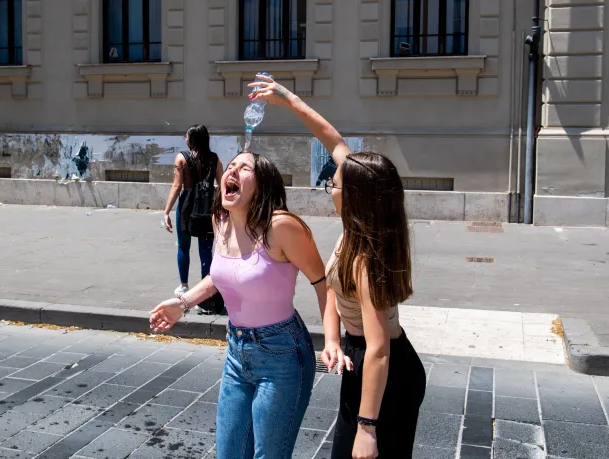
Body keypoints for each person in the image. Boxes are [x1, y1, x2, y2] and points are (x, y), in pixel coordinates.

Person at [248, 75, 426, 458]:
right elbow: (333, 140)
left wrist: (367, 428)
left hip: (387, 375)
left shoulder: (365, 260)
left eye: (335, 184)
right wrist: (288, 99)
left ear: (357, 198)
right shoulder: (362, 226)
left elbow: (379, 349)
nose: (331, 187)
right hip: (362, 360)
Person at [150, 147, 328, 458]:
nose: (231, 171)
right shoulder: (222, 220)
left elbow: (322, 281)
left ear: (262, 185)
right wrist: (184, 302)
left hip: (282, 353)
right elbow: (224, 274)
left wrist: (331, 340)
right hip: (237, 350)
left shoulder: (281, 226)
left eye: (243, 168)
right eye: (230, 166)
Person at [162, 125, 224, 311]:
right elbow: (221, 185)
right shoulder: (214, 159)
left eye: (187, 135)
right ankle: (206, 292)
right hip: (207, 206)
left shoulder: (182, 158)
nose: (185, 138)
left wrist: (166, 211)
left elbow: (176, 186)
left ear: (193, 139)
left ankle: (184, 286)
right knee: (206, 250)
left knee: (183, 246)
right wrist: (223, 210)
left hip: (187, 206)